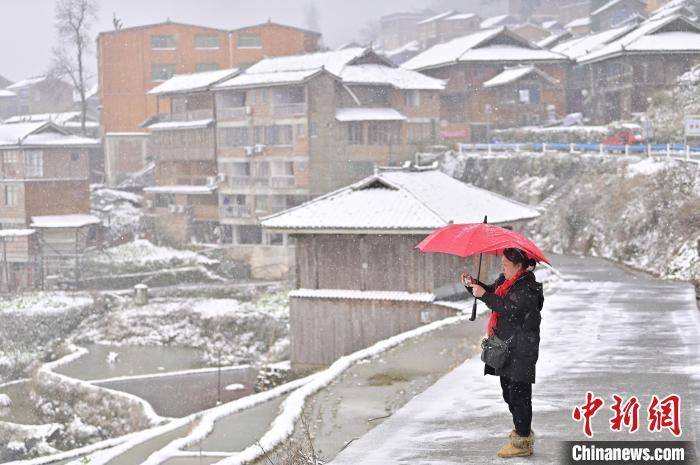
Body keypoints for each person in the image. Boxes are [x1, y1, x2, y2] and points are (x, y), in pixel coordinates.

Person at [460, 247, 544, 458]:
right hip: (507, 347)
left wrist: (485, 295)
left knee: (519, 395)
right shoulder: (505, 281)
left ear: (519, 266)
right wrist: (473, 286)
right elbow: (492, 293)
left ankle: (522, 442)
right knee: (509, 393)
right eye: (502, 265)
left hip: (522, 349)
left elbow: (511, 310)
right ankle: (521, 434)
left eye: (506, 265)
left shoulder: (528, 287)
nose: (502, 268)